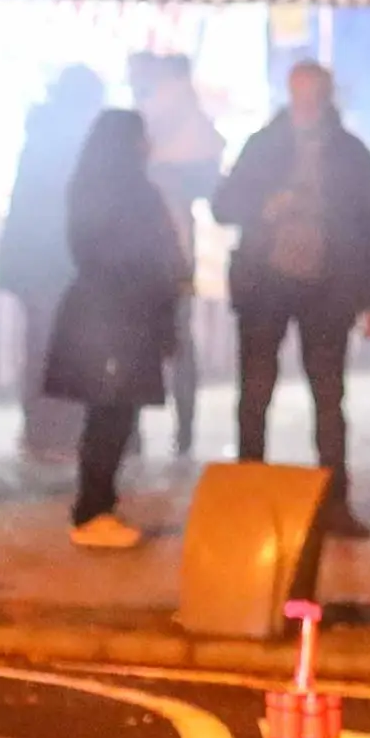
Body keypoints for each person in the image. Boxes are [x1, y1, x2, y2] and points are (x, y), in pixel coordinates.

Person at [214, 60, 370, 535]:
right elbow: (223, 205)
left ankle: (334, 502)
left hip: (328, 285)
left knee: (328, 395)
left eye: (315, 95)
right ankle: (249, 490)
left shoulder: (350, 154)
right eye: (301, 95)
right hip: (265, 282)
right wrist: (265, 207)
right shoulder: (264, 145)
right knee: (255, 392)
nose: (307, 104)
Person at [41, 109, 189, 549]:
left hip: (113, 314)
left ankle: (99, 503)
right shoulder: (124, 193)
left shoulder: (94, 188)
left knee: (113, 413)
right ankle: (92, 509)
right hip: (118, 317)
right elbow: (139, 253)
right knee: (109, 414)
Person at [0, 66, 107, 460]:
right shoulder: (67, 143)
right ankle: (52, 431)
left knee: (41, 346)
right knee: (55, 348)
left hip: (34, 263)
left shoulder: (42, 136)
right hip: (53, 262)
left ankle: (42, 429)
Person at [128, 52, 226, 454]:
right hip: (164, 252)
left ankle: (147, 432)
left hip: (158, 254)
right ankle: (175, 431)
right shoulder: (184, 124)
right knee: (173, 343)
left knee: (151, 342)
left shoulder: (164, 118)